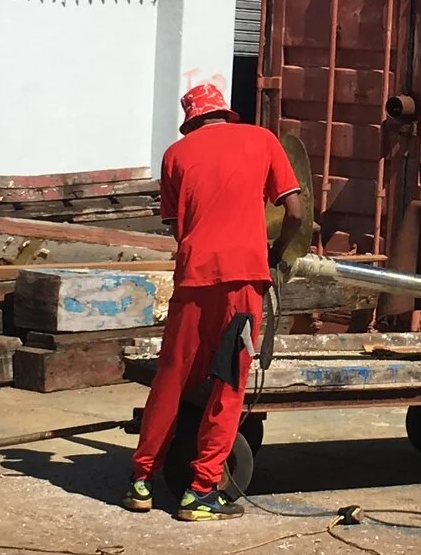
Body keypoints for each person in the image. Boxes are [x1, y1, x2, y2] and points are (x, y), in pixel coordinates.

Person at [125, 83, 309, 521]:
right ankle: (202, 490)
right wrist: (275, 250)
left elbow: (176, 226)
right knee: (228, 381)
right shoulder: (263, 139)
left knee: (172, 376)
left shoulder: (175, 155)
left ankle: (141, 481)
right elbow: (297, 211)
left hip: (193, 277)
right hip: (243, 281)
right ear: (227, 113)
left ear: (191, 121)